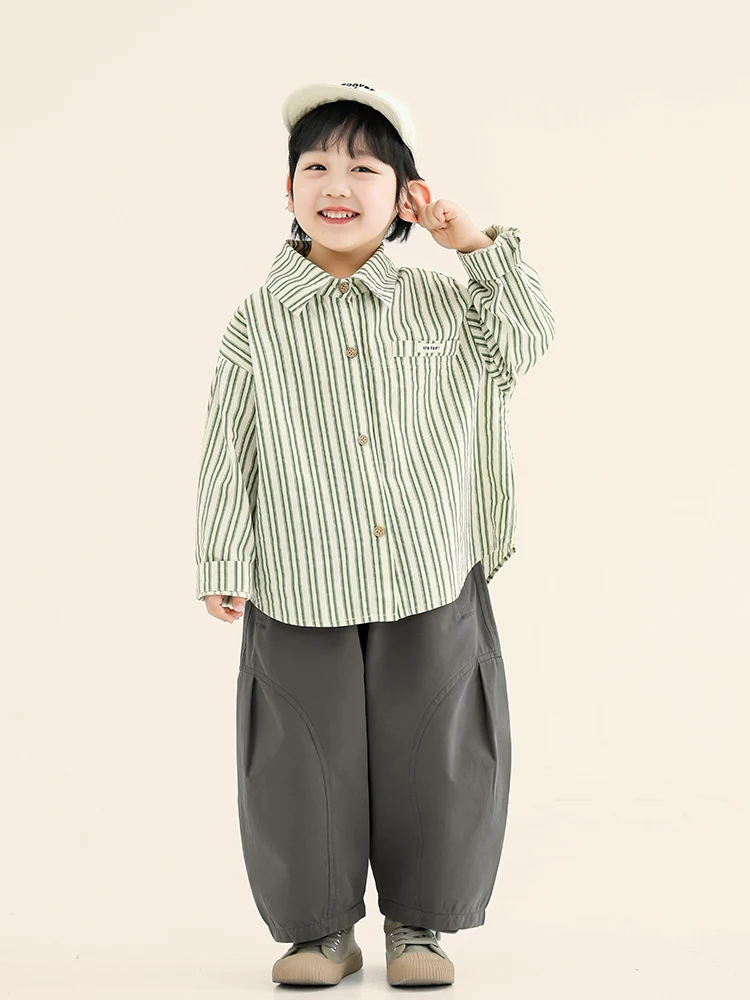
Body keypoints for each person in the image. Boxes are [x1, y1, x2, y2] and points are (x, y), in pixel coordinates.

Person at [194, 81, 555, 987]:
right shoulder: (259, 321)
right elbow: (230, 442)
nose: (336, 183)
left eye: (364, 167)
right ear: (287, 191)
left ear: (404, 196)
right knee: (300, 759)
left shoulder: (441, 305)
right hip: (301, 576)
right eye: (315, 165)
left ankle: (418, 927)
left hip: (426, 568)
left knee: (434, 753)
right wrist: (222, 554)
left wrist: (468, 243)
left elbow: (527, 340)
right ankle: (319, 933)